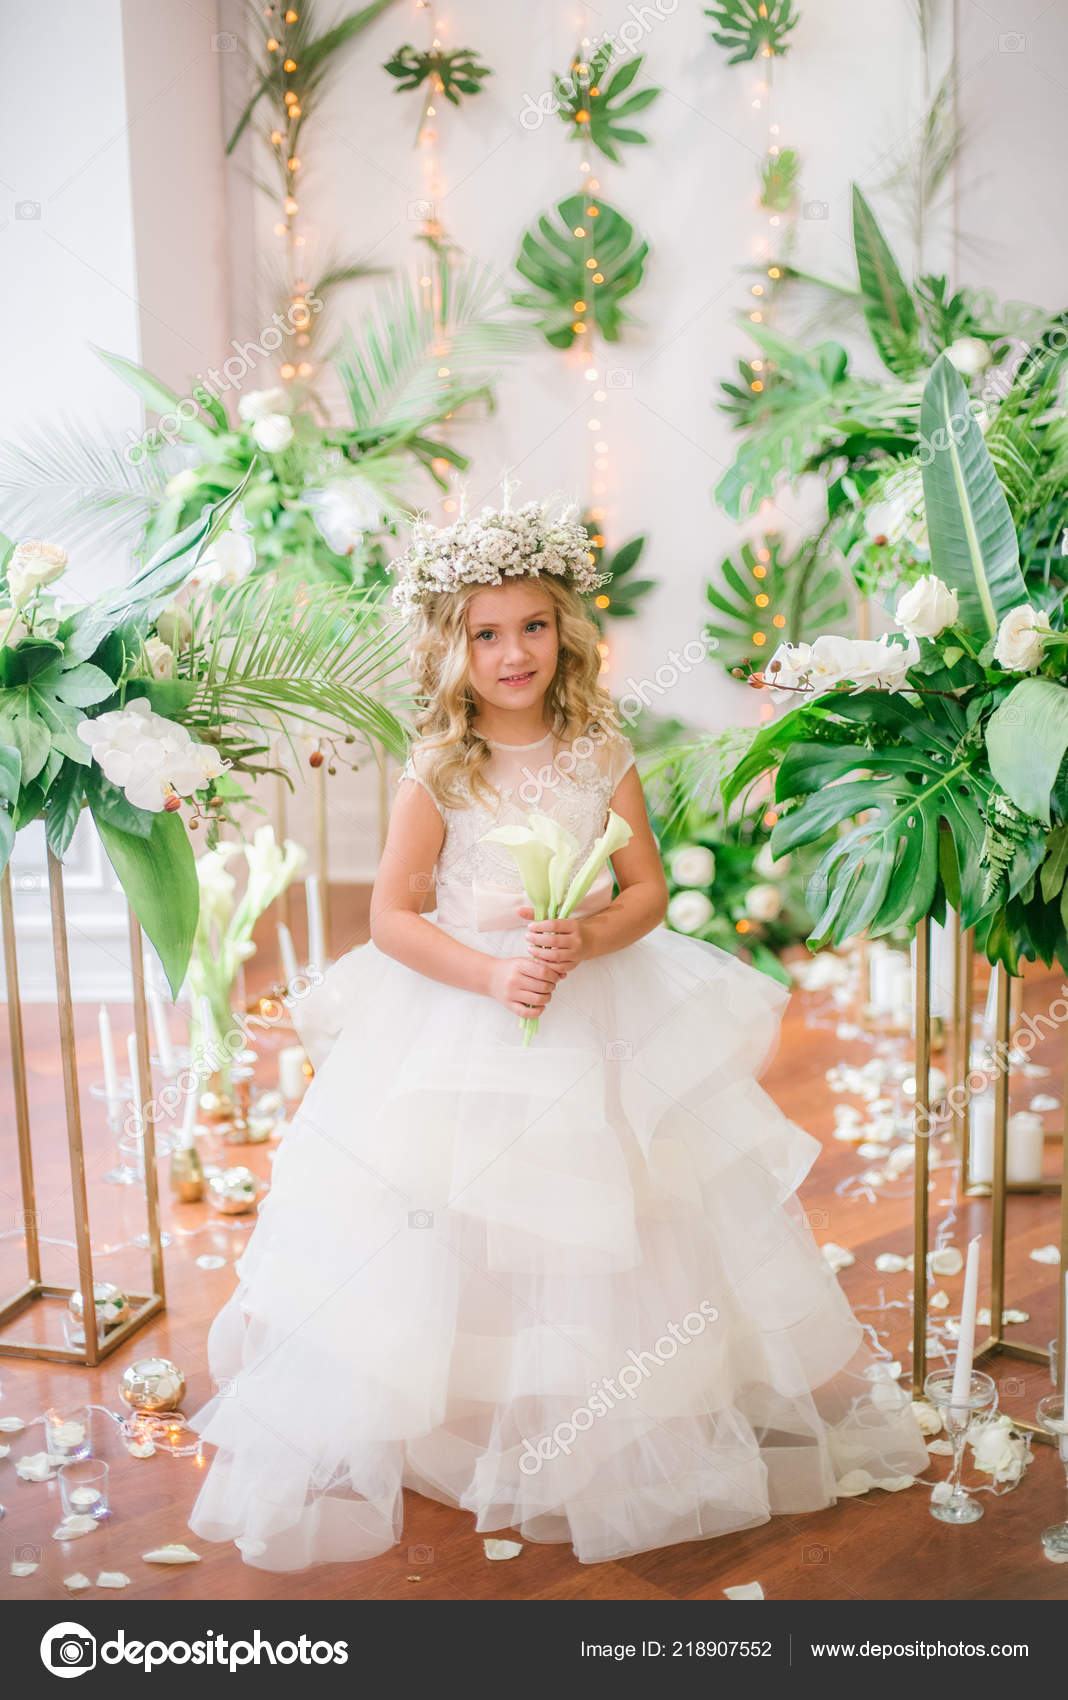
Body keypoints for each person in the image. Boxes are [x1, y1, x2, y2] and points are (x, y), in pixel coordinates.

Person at [188, 495, 927, 1570]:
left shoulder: (599, 749)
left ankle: (611, 1408)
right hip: (462, 1010)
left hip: (599, 1010)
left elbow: (648, 891)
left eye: (532, 625)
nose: (513, 651)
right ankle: (474, 1407)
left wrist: (582, 941)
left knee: (619, 1213)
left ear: (566, 629)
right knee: (460, 1216)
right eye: (486, 633)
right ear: (453, 646)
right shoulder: (441, 770)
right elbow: (391, 918)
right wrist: (493, 972)